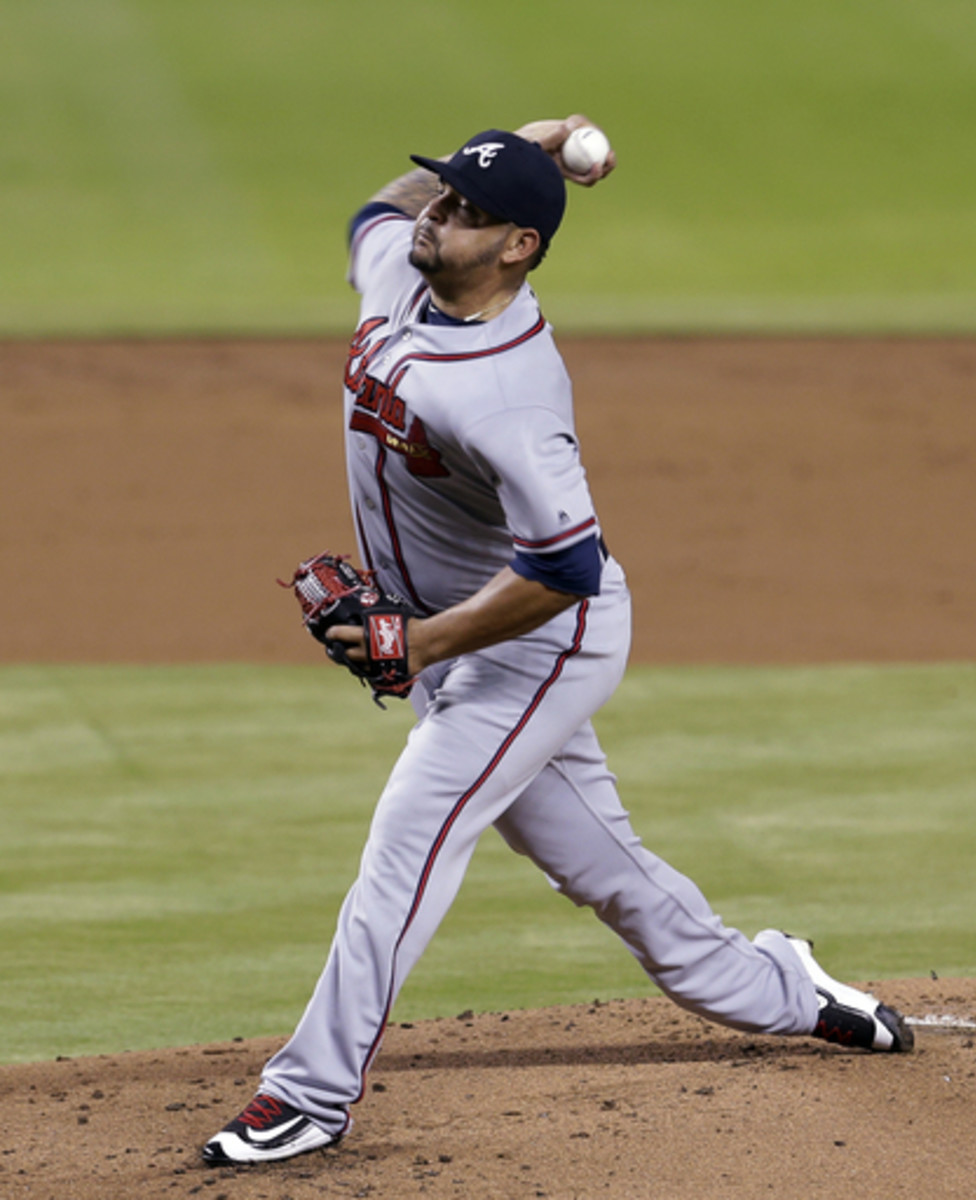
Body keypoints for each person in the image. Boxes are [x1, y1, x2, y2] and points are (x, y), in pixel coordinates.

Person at [202, 115, 912, 1166]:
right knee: (608, 873)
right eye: (443, 196)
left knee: (411, 839)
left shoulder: (511, 393)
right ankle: (781, 986)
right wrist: (518, 140)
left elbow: (566, 567)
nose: (434, 215)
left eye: (467, 210)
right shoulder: (407, 273)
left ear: (518, 248)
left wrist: (426, 642)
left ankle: (309, 1092)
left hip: (543, 649)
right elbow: (374, 212)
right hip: (463, 646)